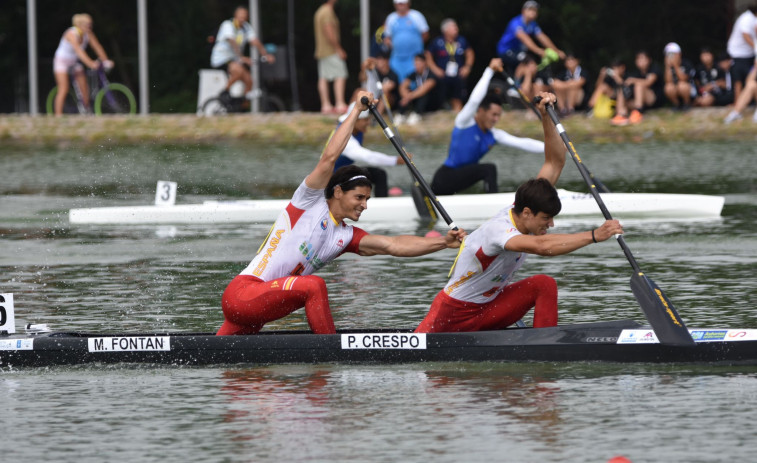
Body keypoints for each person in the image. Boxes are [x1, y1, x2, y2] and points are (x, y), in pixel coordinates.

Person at [216, 91, 465, 336]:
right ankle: (331, 357)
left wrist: (443, 242)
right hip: (244, 294)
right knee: (315, 285)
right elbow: (329, 157)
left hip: (265, 306)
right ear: (337, 192)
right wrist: (355, 111)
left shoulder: (345, 236)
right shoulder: (308, 201)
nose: (364, 205)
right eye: (359, 197)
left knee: (233, 371)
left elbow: (394, 245)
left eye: (367, 199)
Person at [416, 92, 624, 333]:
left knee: (543, 285)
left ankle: (544, 346)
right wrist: (594, 235)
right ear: (526, 213)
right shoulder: (500, 230)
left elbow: (555, 162)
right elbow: (542, 247)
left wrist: (546, 116)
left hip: (487, 308)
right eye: (546, 219)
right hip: (452, 313)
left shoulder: (530, 203)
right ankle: (541, 346)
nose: (551, 224)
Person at [429, 58, 544, 196]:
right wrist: (489, 71)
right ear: (481, 111)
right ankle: (492, 203)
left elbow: (523, 143)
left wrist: (554, 147)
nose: (496, 119)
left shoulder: (494, 135)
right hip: (444, 178)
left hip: (459, 180)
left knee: (488, 169)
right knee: (489, 169)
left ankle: (490, 202)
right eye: (493, 114)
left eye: (498, 115)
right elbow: (475, 100)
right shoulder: (464, 121)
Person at [333, 101, 406, 197]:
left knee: (378, 174)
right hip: (332, 179)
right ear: (356, 120)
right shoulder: (344, 136)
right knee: (379, 174)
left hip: (342, 173)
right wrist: (395, 160)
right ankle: (381, 205)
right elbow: (369, 157)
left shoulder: (356, 129)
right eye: (366, 120)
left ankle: (379, 200)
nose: (369, 123)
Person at [210, 6, 275, 105]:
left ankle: (241, 107)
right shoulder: (228, 25)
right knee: (239, 70)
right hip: (221, 59)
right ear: (235, 16)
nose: (242, 19)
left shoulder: (246, 27)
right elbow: (232, 41)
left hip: (234, 59)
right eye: (240, 16)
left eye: (244, 16)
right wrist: (241, 57)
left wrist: (265, 55)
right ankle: (224, 92)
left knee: (249, 80)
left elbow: (255, 42)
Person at [52, 13, 113, 116]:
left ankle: (86, 110)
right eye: (87, 24)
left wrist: (105, 60)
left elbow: (97, 47)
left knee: (84, 87)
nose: (90, 26)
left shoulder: (88, 34)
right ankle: (58, 116)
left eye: (90, 24)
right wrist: (91, 64)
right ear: (79, 24)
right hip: (61, 62)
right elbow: (79, 51)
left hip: (74, 62)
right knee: (64, 88)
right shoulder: (71, 33)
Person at [496, 1, 565, 88]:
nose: (533, 12)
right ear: (523, 11)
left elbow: (543, 37)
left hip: (518, 51)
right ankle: (514, 88)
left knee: (532, 66)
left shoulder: (533, 25)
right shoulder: (516, 22)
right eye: (530, 9)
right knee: (527, 61)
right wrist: (538, 51)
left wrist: (556, 50)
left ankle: (521, 86)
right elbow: (524, 39)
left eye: (535, 10)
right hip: (506, 50)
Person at [425, 18, 475, 112]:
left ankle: (457, 111)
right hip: (442, 75)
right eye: (453, 27)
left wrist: (467, 67)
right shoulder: (437, 42)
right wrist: (435, 69)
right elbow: (428, 55)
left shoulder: (461, 41)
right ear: (445, 30)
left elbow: (470, 53)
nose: (456, 29)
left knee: (458, 95)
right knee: (441, 95)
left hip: (458, 74)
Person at [314, 0, 348, 115]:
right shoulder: (327, 12)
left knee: (323, 77)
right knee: (340, 74)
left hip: (321, 50)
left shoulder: (320, 11)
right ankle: (340, 103)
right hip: (330, 50)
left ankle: (326, 105)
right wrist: (338, 48)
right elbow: (329, 31)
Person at [612, 50, 663, 125]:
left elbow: (648, 82)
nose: (640, 61)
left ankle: (638, 112)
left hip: (653, 100)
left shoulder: (654, 68)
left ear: (649, 60)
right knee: (622, 89)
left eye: (642, 58)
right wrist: (617, 77)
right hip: (639, 102)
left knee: (639, 85)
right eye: (638, 59)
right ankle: (621, 114)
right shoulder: (635, 73)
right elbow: (625, 84)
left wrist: (633, 80)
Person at [383, 0, 430, 81]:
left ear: (408, 4)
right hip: (397, 58)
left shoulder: (416, 16)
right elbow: (387, 37)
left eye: (403, 3)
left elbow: (425, 34)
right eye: (399, 4)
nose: (401, 6)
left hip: (414, 58)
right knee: (396, 80)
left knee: (414, 81)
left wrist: (414, 44)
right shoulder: (391, 18)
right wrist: (390, 44)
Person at [726, 5, 757, 102]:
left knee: (750, 80)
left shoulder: (753, 18)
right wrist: (756, 48)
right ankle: (738, 103)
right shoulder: (747, 18)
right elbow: (746, 35)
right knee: (739, 81)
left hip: (749, 54)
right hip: (739, 55)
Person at [396, 54, 437, 124]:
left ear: (424, 63)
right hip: (414, 99)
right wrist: (405, 96)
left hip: (431, 102)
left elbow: (424, 89)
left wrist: (408, 97)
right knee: (407, 91)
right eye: (415, 62)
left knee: (423, 94)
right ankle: (401, 114)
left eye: (419, 62)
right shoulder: (414, 74)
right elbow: (402, 86)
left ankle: (417, 114)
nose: (416, 64)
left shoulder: (431, 74)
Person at [662, 42, 696, 110]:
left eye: (673, 54)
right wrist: (668, 67)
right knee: (668, 87)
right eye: (668, 54)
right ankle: (676, 105)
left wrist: (676, 66)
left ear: (679, 54)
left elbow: (683, 78)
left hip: (689, 90)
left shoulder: (686, 63)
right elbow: (667, 81)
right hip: (675, 90)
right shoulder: (668, 66)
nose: (671, 56)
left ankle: (687, 104)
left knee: (682, 85)